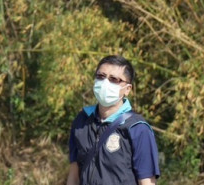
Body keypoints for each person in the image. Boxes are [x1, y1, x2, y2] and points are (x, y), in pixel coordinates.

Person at [67, 54, 160, 185]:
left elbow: (147, 181)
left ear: (127, 89)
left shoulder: (138, 128)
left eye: (114, 79)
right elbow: (74, 175)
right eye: (101, 76)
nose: (105, 83)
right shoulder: (81, 121)